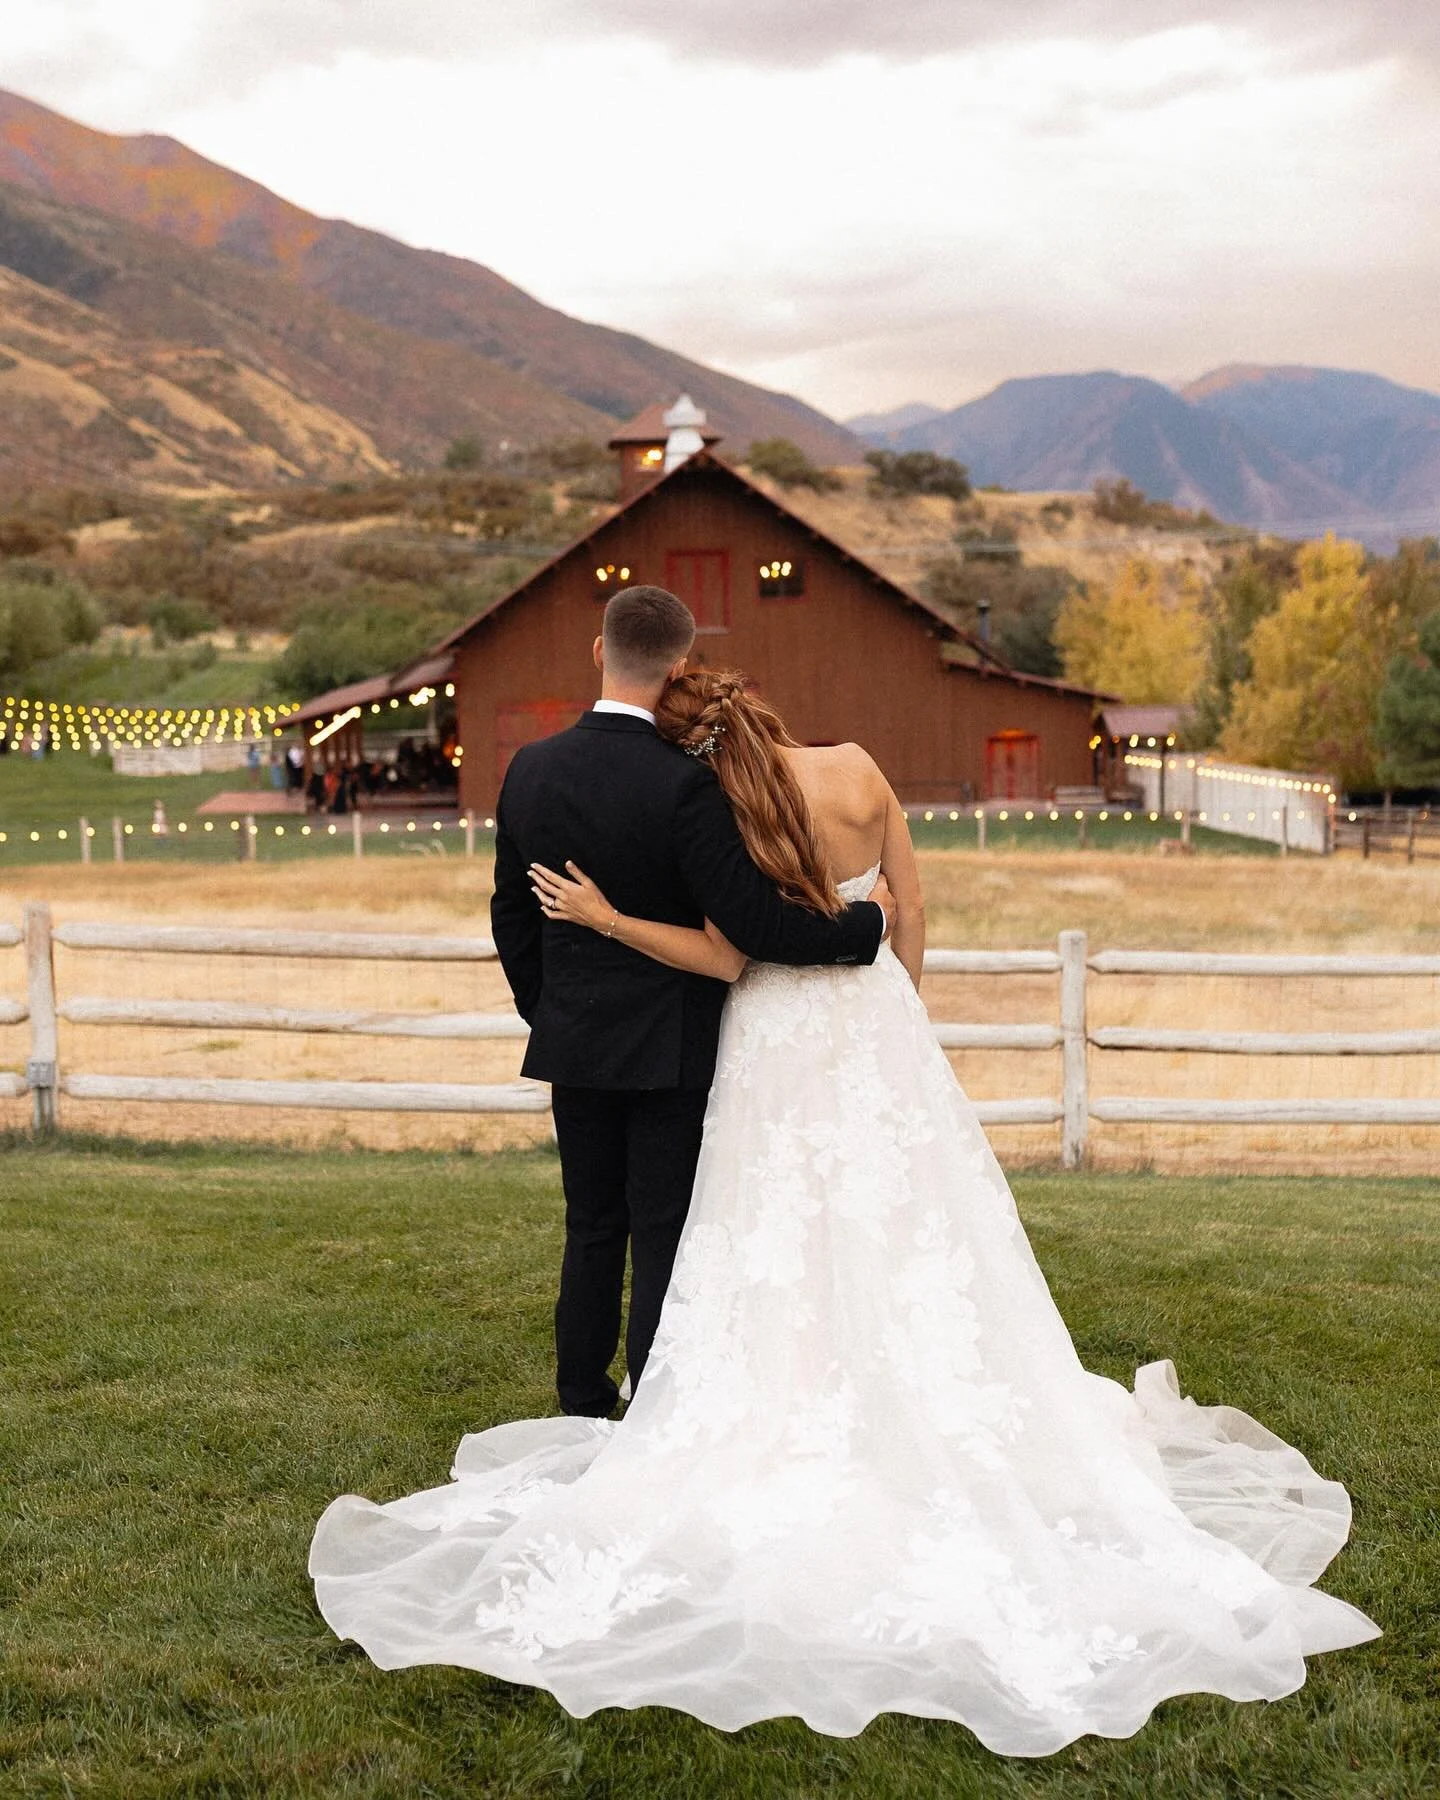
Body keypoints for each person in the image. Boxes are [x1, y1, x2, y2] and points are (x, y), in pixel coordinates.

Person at [311, 659, 1377, 1756]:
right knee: (909, 1223)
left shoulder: (726, 803)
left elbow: (735, 952)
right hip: (878, 1029)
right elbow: (912, 906)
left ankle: (777, 1389)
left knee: (771, 1224)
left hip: (775, 1034)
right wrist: (901, 1019)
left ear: (703, 744)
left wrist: (611, 919)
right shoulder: (863, 770)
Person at [493, 586, 888, 1415]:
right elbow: (752, 927)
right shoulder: (684, 785)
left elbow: (511, 915)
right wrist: (864, 926)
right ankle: (653, 1396)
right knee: (662, 1224)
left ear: (598, 651)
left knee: (592, 1223)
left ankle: (579, 1394)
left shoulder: (530, 769)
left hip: (575, 1042)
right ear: (677, 668)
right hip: (670, 1044)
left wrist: (551, 1012)